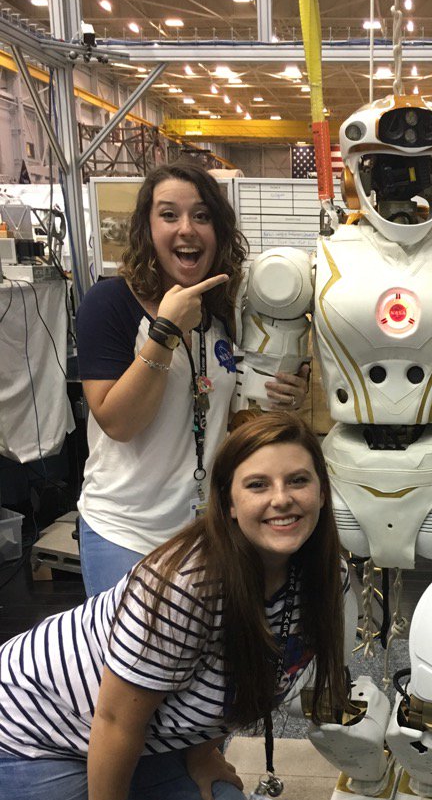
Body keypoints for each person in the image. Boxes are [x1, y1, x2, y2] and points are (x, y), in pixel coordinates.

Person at [0, 412, 349, 800]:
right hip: (30, 727)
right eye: (258, 485)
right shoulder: (186, 585)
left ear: (322, 487)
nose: (282, 500)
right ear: (227, 502)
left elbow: (227, 673)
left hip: (116, 728)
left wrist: (201, 748)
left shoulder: (321, 576)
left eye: (299, 480)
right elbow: (116, 721)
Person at [76, 159, 311, 596]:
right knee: (132, 661)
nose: (186, 228)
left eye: (201, 216)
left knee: (203, 660)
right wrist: (165, 331)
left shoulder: (220, 311)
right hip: (126, 532)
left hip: (206, 528)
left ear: (218, 231)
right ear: (147, 230)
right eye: (169, 214)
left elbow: (223, 415)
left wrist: (280, 397)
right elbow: (118, 422)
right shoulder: (110, 303)